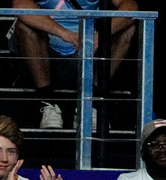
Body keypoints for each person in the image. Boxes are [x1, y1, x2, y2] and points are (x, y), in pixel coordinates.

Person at [10, 0, 137, 128]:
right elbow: (20, 4)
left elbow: (130, 5)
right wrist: (64, 34)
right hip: (45, 48)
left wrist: (101, 35)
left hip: (89, 47)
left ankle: (92, 103)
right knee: (24, 26)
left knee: (128, 28)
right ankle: (48, 102)